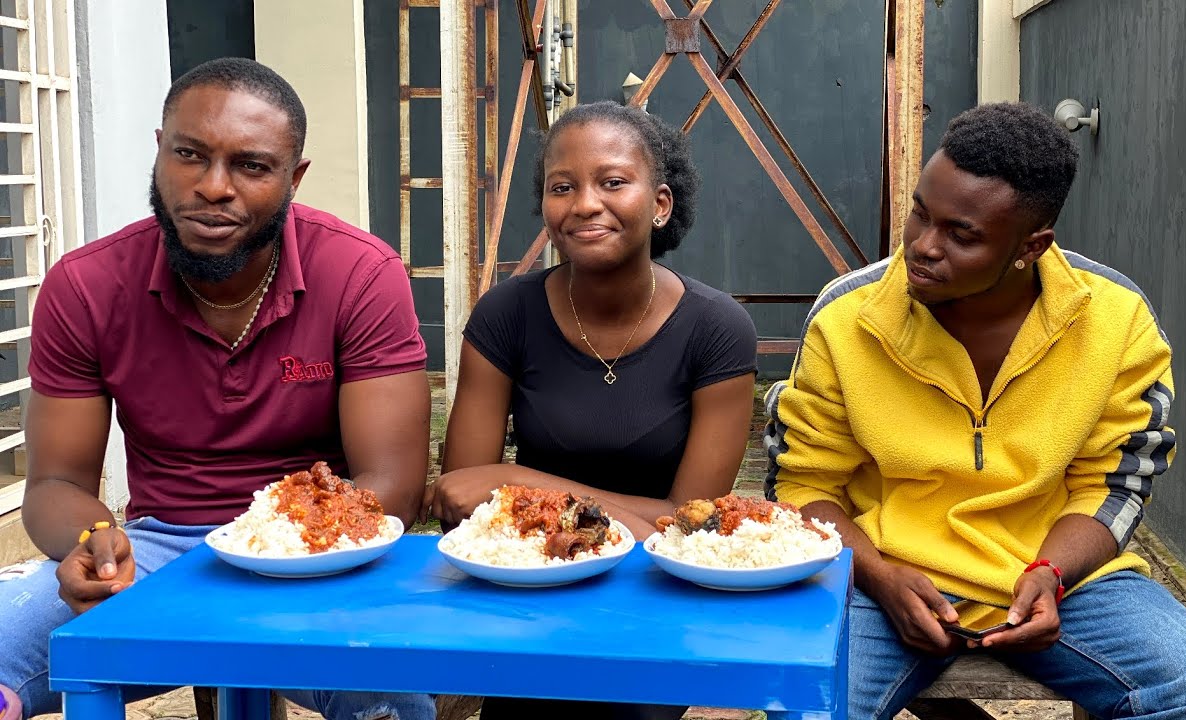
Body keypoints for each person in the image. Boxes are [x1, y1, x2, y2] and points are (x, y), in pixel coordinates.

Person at [764, 103, 1186, 719]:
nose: (922, 246)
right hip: (882, 574)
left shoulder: (1116, 318)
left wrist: (1052, 572)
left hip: (1059, 577)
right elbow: (803, 483)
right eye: (920, 213)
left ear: (1032, 245)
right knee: (802, 706)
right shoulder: (846, 314)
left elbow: (1114, 483)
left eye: (961, 235)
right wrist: (882, 577)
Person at [0, 58, 436, 720]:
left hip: (315, 558)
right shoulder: (87, 285)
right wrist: (93, 536)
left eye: (251, 166)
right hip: (157, 555)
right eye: (189, 155)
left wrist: (274, 551)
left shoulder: (359, 274)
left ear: (295, 178)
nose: (212, 187)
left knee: (388, 704)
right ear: (159, 151)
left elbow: (391, 487)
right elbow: (53, 485)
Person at [425, 100, 758, 720]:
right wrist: (622, 516)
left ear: (660, 204)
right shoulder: (506, 316)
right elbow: (461, 502)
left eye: (612, 182)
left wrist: (515, 481)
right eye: (562, 187)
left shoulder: (716, 330)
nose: (584, 203)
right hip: (528, 583)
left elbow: (690, 531)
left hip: (654, 599)